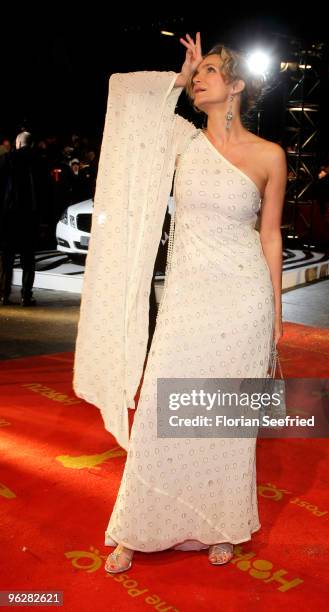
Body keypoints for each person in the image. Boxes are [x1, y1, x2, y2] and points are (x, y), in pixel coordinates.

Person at [73, 33, 286, 569]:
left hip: (244, 301)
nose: (200, 78)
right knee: (163, 410)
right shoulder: (181, 139)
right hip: (188, 300)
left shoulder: (269, 155)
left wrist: (276, 315)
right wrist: (177, 72)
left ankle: (220, 522)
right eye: (199, 71)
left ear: (235, 86)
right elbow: (125, 101)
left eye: (210, 70)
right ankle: (137, 529)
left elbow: (270, 237)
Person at [0, 132, 45, 306]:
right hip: (30, 217)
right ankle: (26, 296)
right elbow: (45, 191)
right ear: (31, 144)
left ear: (18, 143)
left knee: (7, 257)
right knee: (28, 258)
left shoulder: (7, 158)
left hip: (9, 216)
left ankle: (4, 295)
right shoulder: (40, 160)